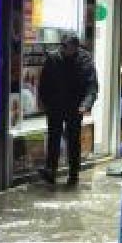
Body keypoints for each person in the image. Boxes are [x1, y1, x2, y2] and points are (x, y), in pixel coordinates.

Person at [37, 33, 97, 186]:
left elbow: (92, 86)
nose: (64, 50)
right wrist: (43, 101)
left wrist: (86, 104)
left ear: (75, 48)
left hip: (75, 106)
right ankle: (51, 171)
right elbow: (44, 82)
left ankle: (73, 173)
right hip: (55, 105)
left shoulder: (85, 60)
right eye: (62, 46)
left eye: (67, 47)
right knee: (53, 138)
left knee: (73, 140)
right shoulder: (53, 58)